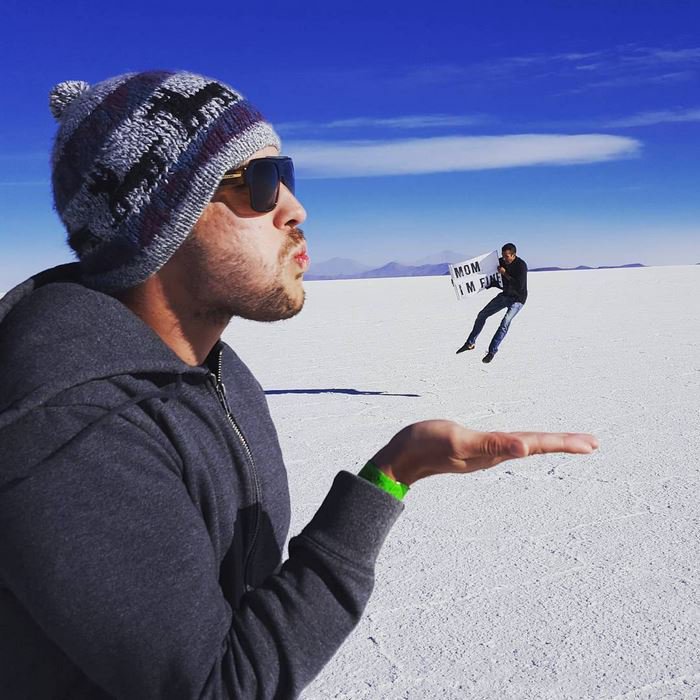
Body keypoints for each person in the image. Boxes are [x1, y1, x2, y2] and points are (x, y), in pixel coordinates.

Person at [0, 71, 597, 700]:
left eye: (286, 175)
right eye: (260, 183)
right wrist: (391, 477)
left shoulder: (216, 373)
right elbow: (217, 687)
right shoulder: (73, 426)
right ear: (159, 222)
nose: (295, 208)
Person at [456, 243, 528, 363]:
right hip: (505, 295)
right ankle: (470, 343)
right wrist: (459, 282)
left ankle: (491, 352)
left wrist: (505, 274)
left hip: (518, 299)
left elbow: (519, 286)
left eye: (506, 256)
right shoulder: (501, 262)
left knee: (505, 323)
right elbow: (485, 272)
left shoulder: (521, 265)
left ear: (513, 255)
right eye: (503, 256)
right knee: (482, 315)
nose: (504, 259)